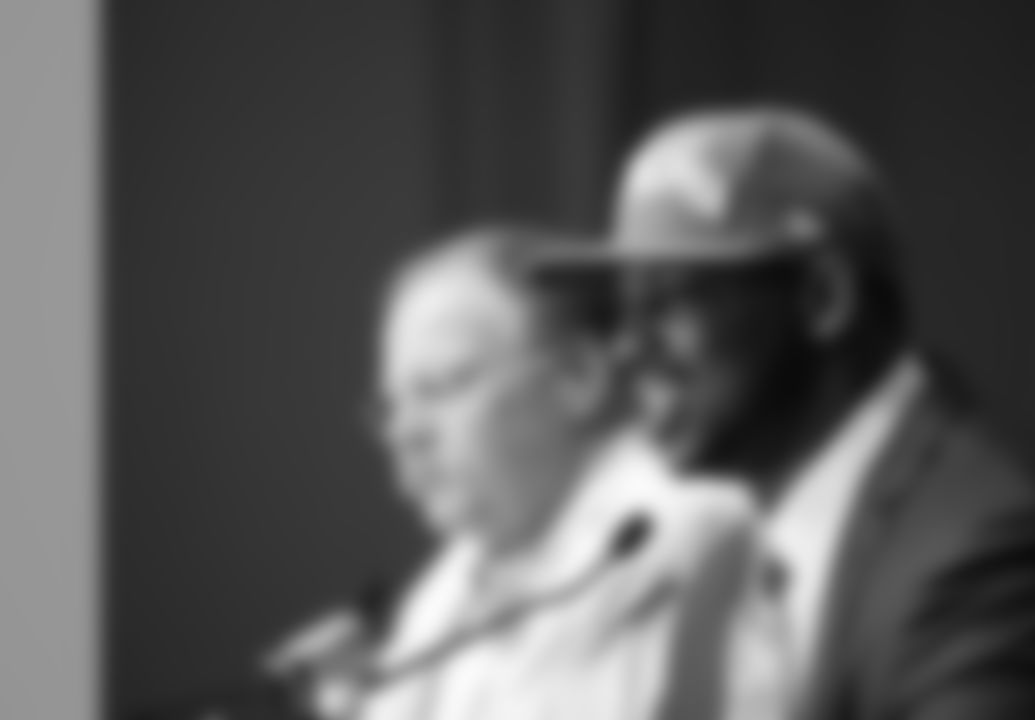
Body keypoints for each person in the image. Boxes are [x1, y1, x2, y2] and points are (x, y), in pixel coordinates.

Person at [531, 107, 1035, 720]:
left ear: (824, 298)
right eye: (622, 311)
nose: (627, 348)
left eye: (665, 301)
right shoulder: (730, 574)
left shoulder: (1006, 555)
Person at [266, 225, 794, 720]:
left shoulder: (684, 535)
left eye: (440, 387)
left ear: (578, 377)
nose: (406, 433)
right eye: (391, 407)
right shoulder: (444, 589)